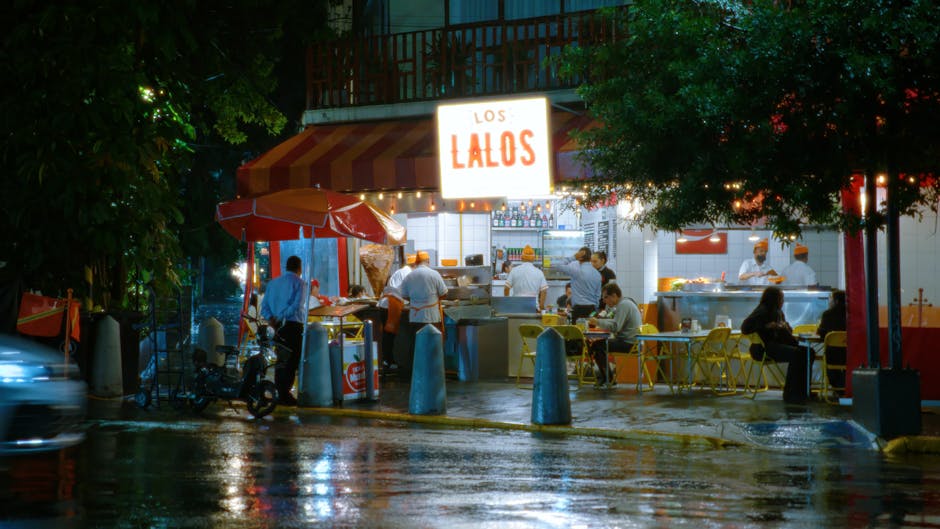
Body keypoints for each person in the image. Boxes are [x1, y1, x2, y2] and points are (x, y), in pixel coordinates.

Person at [740, 286, 811, 404]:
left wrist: (785, 327)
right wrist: (767, 326)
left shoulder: (778, 312)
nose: (783, 302)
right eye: (781, 298)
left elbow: (785, 332)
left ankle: (803, 390)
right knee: (798, 354)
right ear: (774, 299)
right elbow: (745, 328)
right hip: (763, 349)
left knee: (808, 352)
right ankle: (791, 392)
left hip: (774, 346)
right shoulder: (763, 311)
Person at [259, 255, 306, 406]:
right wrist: (280, 317)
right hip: (292, 325)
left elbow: (264, 307)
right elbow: (297, 306)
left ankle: (279, 391)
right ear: (299, 268)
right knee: (292, 360)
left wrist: (271, 318)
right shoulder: (300, 284)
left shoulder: (273, 284)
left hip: (276, 326)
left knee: (281, 358)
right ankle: (284, 393)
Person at [399, 250, 448, 379]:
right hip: (431, 316)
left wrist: (417, 302)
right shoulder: (434, 274)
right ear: (428, 261)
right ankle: (432, 372)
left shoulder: (410, 276)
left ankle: (416, 373)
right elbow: (444, 293)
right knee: (432, 344)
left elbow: (403, 295)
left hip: (415, 316)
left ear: (416, 262)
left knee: (416, 345)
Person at [588, 283, 642, 388]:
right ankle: (607, 377)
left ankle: (608, 379)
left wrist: (597, 322)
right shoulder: (624, 303)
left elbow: (616, 326)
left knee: (597, 346)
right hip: (631, 341)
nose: (604, 301)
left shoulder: (624, 305)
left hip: (630, 344)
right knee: (597, 345)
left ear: (614, 295)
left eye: (606, 297)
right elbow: (615, 322)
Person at [378, 253, 415, 371]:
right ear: (414, 264)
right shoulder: (408, 273)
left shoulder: (401, 271)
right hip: (392, 304)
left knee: (389, 334)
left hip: (388, 303)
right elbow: (407, 292)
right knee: (390, 334)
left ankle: (388, 361)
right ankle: (388, 361)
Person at [815, 289, 846, 391]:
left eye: (830, 299)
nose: (829, 301)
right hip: (850, 353)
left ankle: (836, 387)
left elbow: (822, 333)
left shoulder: (828, 314)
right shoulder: (852, 314)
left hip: (833, 354)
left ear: (836, 301)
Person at [503, 245, 548, 310]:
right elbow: (544, 291)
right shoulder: (539, 272)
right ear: (533, 258)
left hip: (516, 306)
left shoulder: (514, 270)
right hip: (533, 307)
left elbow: (506, 288)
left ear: (522, 257)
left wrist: (507, 302)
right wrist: (541, 307)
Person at [565, 246, 602, 323]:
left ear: (579, 258)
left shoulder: (575, 272)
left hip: (577, 308)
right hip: (592, 308)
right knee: (591, 332)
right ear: (590, 258)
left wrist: (573, 257)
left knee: (577, 333)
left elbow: (559, 264)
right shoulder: (597, 274)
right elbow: (598, 294)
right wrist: (595, 309)